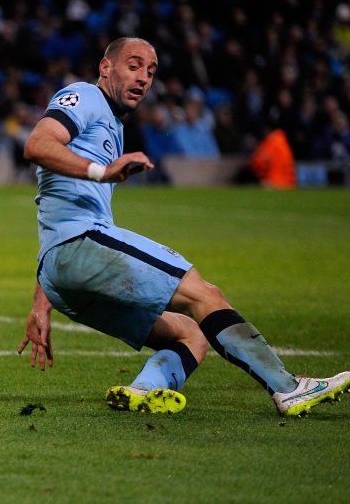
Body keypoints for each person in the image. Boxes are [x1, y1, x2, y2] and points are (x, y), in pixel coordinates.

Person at [18, 37, 349, 417]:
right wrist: (102, 170)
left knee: (190, 334)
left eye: (151, 71)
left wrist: (40, 305)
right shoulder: (84, 97)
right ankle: (288, 387)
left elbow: (55, 214)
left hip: (62, 276)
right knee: (204, 294)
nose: (143, 77)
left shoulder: (111, 123)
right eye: (134, 65)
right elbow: (38, 144)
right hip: (82, 247)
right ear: (105, 67)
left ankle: (143, 390)